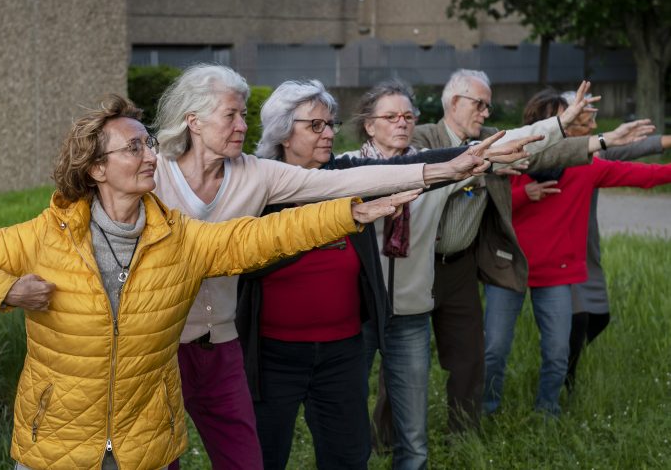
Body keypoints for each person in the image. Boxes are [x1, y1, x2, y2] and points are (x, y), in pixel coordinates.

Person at [0, 94, 405, 470]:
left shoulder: (178, 239)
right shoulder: (46, 236)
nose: (150, 155)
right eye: (134, 147)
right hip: (56, 443)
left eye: (149, 143)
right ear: (96, 168)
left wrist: (350, 213)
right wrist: (6, 290)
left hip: (143, 443)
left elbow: (260, 235)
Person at [152, 64, 497, 470]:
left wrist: (449, 168)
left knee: (255, 460)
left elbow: (341, 184)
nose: (241, 125)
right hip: (163, 343)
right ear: (193, 120)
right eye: (232, 115)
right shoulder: (152, 174)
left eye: (244, 115)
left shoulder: (257, 175)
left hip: (235, 345)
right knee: (157, 455)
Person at [233, 79, 529, 470]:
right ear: (283, 132)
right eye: (315, 126)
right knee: (265, 455)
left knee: (349, 456)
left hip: (342, 349)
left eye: (331, 125)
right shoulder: (258, 183)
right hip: (275, 354)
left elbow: (399, 167)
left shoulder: (341, 172)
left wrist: (463, 157)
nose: (328, 134)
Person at [343, 78, 588, 468]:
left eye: (408, 116)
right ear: (370, 125)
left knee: (415, 437)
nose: (402, 123)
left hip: (409, 315)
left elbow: (504, 146)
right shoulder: (347, 169)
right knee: (345, 416)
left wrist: (558, 125)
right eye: (391, 116)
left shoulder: (434, 168)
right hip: (356, 314)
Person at [410, 70, 650, 433]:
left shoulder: (519, 148)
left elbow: (611, 164)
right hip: (473, 268)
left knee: (528, 355)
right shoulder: (449, 140)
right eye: (480, 104)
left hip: (524, 271)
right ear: (454, 101)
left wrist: (604, 140)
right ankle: (464, 417)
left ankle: (526, 418)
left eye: (489, 106)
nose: (486, 112)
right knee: (464, 354)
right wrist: (525, 192)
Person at [482, 88, 663, 417]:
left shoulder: (586, 165)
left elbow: (645, 177)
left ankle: (546, 412)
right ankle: (486, 411)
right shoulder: (511, 159)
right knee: (494, 349)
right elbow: (487, 207)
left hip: (556, 273)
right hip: (507, 268)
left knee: (558, 351)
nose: (568, 126)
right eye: (561, 119)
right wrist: (526, 194)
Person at [554, 91, 671, 393]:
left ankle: (564, 360)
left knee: (600, 317)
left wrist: (666, 141)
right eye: (587, 115)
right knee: (578, 317)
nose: (593, 121)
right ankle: (563, 379)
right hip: (556, 247)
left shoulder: (597, 154)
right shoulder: (550, 152)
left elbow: (636, 149)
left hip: (586, 245)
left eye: (594, 115)